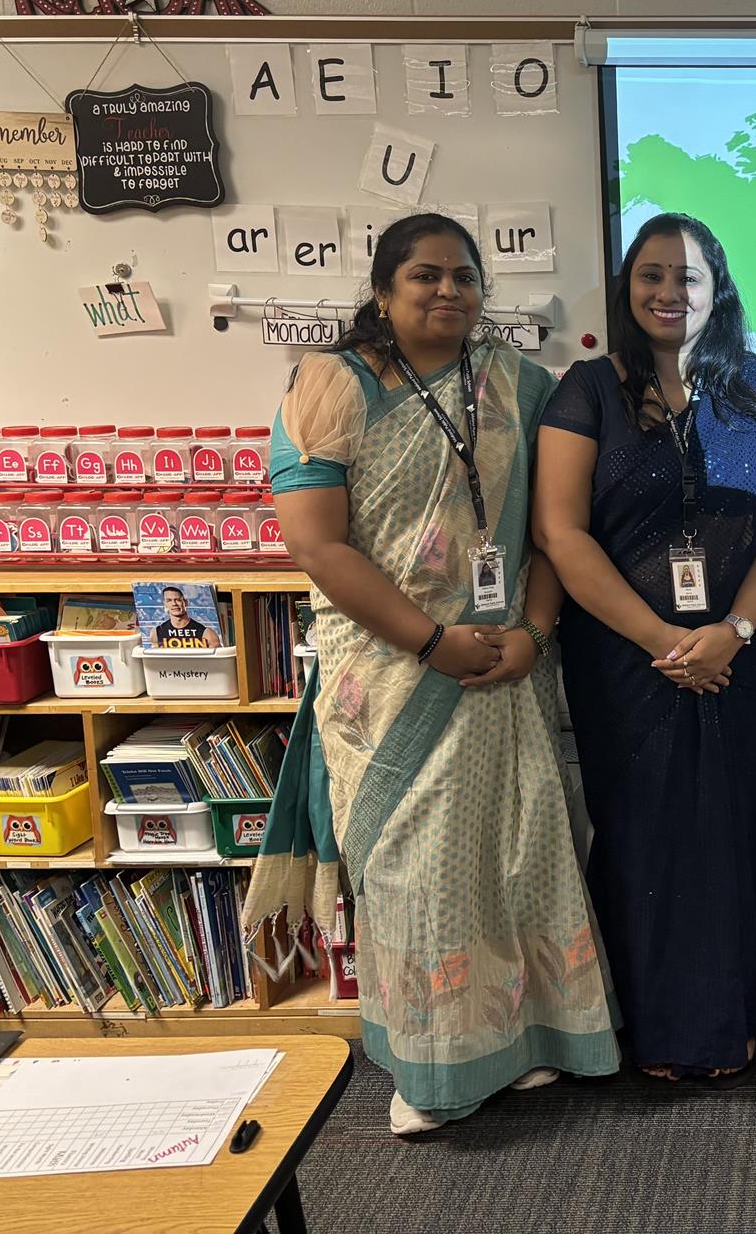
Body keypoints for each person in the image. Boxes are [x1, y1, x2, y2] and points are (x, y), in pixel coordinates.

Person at [242, 213, 618, 1136]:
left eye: (464, 276)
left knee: (517, 853)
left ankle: (525, 1038)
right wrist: (429, 641)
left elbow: (552, 530)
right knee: (414, 871)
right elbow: (319, 546)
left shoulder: (520, 385)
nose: (448, 290)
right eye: (425, 275)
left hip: (504, 665)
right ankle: (432, 1067)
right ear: (383, 291)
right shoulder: (331, 386)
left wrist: (534, 631)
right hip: (393, 676)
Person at [537, 212, 756, 1084]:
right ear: (629, 286)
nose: (669, 291)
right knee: (642, 835)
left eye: (688, 276)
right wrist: (663, 638)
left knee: (728, 835)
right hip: (626, 659)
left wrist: (733, 632)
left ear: (717, 289)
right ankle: (650, 1028)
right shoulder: (587, 391)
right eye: (652, 274)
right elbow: (561, 532)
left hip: (741, 656)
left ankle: (724, 1026)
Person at [153, 586, 222, 649]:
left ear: (185, 602)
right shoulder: (156, 633)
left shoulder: (207, 634)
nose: (174, 604)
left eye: (178, 600)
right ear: (165, 604)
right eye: (169, 600)